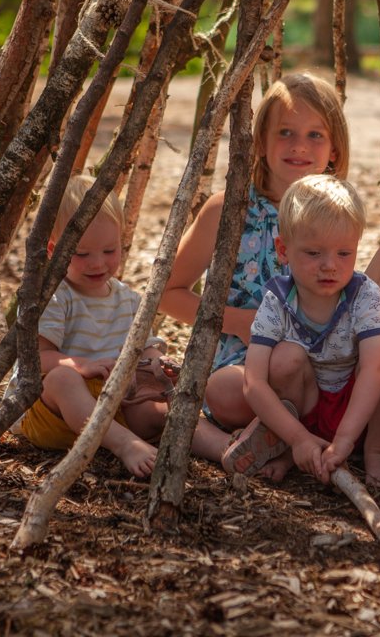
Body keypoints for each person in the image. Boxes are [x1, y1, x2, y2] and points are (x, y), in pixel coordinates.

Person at [160, 73, 380, 479]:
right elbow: (167, 293)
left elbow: (352, 289)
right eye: (285, 132)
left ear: (335, 148)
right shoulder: (227, 210)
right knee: (222, 391)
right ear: (261, 142)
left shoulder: (337, 207)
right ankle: (290, 431)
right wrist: (239, 321)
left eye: (315, 135)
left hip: (338, 356)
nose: (299, 146)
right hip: (258, 362)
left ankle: (379, 409)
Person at [20, 174, 230, 477]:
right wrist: (81, 365)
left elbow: (144, 349)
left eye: (109, 251)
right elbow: (35, 357)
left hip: (116, 407)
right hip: (56, 416)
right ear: (54, 250)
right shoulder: (54, 295)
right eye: (82, 254)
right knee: (62, 379)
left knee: (161, 409)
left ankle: (227, 448)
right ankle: (125, 445)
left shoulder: (128, 299)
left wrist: (160, 364)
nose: (98, 263)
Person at [221, 175, 380, 486]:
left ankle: (376, 451)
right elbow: (254, 383)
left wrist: (344, 440)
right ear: (283, 250)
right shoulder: (276, 302)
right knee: (284, 357)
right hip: (305, 407)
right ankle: (292, 448)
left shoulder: (364, 295)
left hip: (356, 407)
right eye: (314, 253)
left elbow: (374, 372)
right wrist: (298, 437)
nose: (330, 265)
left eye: (343, 253)